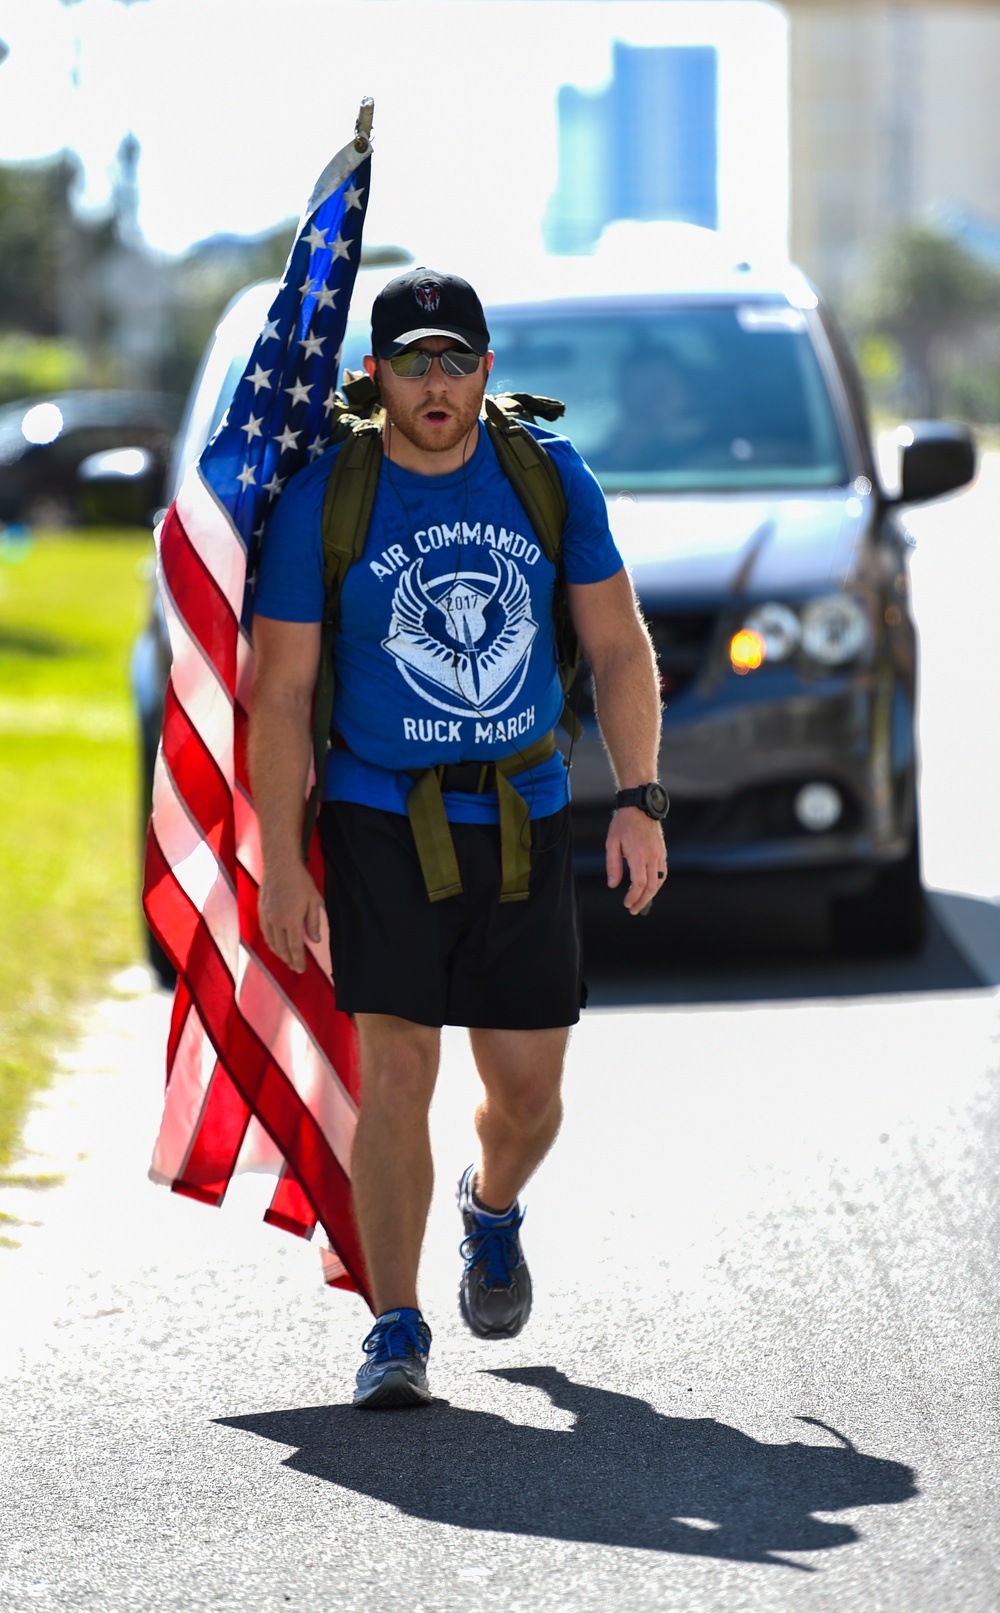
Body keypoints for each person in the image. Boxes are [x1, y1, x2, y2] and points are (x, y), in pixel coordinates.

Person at [247, 268, 667, 1408]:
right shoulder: (325, 500)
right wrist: (284, 861)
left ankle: (489, 1207)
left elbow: (619, 646)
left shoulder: (544, 477)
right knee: (397, 1067)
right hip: (381, 811)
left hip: (524, 811)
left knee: (527, 1092)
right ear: (373, 375)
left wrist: (639, 796)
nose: (437, 385)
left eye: (457, 361)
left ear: (488, 369)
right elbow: (278, 693)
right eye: (414, 363)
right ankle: (395, 1323)